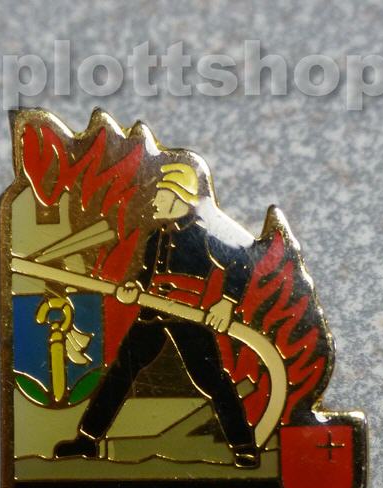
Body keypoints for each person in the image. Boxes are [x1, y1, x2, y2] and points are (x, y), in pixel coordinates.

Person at [54, 160, 259, 468]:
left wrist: (227, 302)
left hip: (187, 316)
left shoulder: (204, 234)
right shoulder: (156, 236)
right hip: (152, 315)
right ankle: (87, 439)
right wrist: (134, 288)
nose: (154, 202)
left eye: (161, 195)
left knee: (211, 380)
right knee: (121, 373)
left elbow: (242, 260)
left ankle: (244, 446)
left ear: (178, 197)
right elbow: (146, 275)